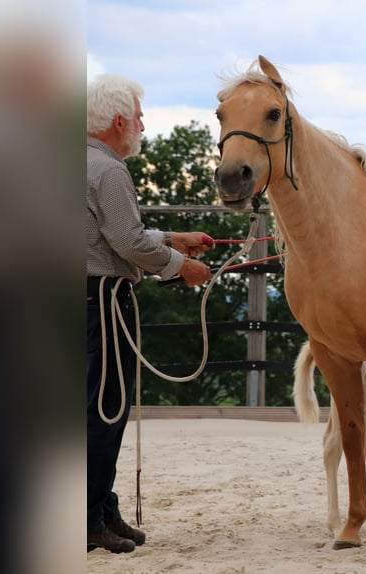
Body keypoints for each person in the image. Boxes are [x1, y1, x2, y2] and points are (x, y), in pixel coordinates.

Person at [87, 74, 213, 553]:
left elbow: (111, 232)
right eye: (138, 115)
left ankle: (100, 508)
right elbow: (127, 242)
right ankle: (88, 520)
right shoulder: (109, 170)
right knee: (105, 412)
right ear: (119, 120)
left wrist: (171, 240)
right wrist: (184, 266)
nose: (142, 123)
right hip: (100, 304)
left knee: (87, 412)